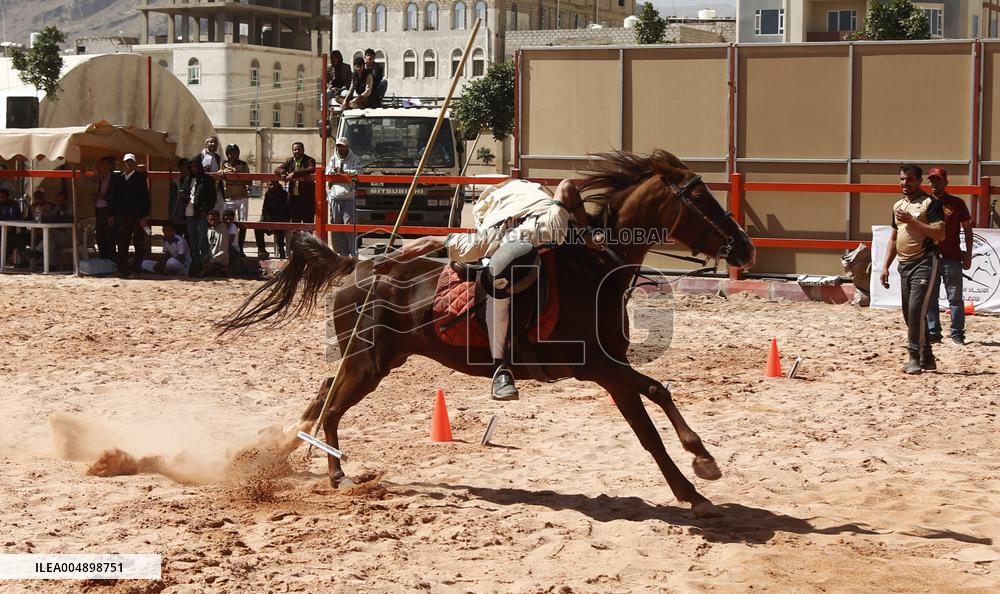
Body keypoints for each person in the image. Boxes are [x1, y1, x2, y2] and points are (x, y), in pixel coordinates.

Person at [372, 179, 601, 400]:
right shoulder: (486, 241)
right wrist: (394, 257)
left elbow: (567, 186)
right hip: (492, 203)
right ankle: (500, 366)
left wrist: (585, 232)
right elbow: (431, 243)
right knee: (496, 289)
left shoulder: (551, 226)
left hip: (528, 196)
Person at [879, 164, 945, 374]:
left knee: (916, 309)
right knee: (910, 313)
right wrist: (885, 266)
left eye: (909, 179)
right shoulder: (898, 205)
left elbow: (939, 234)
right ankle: (927, 356)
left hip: (924, 262)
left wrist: (913, 221)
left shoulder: (930, 203)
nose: (905, 183)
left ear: (919, 181)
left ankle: (914, 357)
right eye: (902, 179)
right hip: (904, 265)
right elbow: (894, 238)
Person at [924, 167, 973, 345]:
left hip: (951, 256)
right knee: (930, 297)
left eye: (938, 180)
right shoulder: (924, 203)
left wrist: (968, 254)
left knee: (955, 298)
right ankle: (933, 331)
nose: (935, 184)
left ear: (946, 183)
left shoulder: (957, 203)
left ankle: (957, 333)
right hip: (929, 257)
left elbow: (968, 229)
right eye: (932, 180)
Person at [108, 153, 151, 278]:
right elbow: (113, 197)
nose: (129, 164)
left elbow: (145, 198)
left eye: (131, 161)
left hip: (137, 216)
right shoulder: (118, 178)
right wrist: (111, 214)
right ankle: (121, 269)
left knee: (138, 243)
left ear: (134, 163)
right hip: (122, 216)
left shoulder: (140, 178)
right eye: (127, 161)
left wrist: (145, 216)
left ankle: (136, 270)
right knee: (122, 243)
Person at [326, 136, 362, 257]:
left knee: (350, 225)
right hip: (336, 197)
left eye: (342, 146)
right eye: (338, 147)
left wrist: (346, 172)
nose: (340, 149)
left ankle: (353, 252)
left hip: (349, 197)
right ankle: (342, 253)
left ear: (347, 147)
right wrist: (333, 172)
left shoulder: (355, 159)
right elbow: (327, 172)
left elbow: (359, 172)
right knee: (337, 225)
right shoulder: (333, 158)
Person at [182, 158, 218, 273]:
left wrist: (205, 210)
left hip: (201, 213)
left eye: (196, 166)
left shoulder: (207, 180)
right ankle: (196, 264)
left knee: (202, 240)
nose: (194, 169)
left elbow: (212, 198)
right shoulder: (187, 179)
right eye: (192, 167)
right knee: (192, 240)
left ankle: (204, 265)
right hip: (189, 212)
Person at [221, 144, 251, 254]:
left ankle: (241, 247)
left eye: (235, 152)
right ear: (227, 154)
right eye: (231, 152)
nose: (233, 155)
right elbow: (219, 176)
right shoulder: (224, 164)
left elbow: (249, 181)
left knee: (243, 224)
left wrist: (237, 176)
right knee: (227, 222)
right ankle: (228, 246)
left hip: (242, 197)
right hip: (229, 198)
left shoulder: (243, 165)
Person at [255, 169, 291, 260]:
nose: (271, 186)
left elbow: (286, 211)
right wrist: (266, 220)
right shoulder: (268, 193)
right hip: (269, 218)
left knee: (280, 229)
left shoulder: (284, 194)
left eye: (273, 184)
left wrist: (276, 223)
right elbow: (265, 208)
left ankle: (281, 249)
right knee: (257, 226)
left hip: (281, 219)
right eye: (269, 184)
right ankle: (262, 249)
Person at [281, 142, 317, 224]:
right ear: (292, 151)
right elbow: (278, 168)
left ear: (303, 150)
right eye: (295, 150)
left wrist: (294, 174)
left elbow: (311, 169)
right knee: (295, 227)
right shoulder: (290, 161)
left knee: (308, 227)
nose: (297, 151)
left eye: (299, 149)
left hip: (306, 200)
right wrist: (283, 173)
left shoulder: (310, 160)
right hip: (294, 200)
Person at [93, 156, 117, 260]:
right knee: (100, 236)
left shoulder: (114, 179)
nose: (103, 168)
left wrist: (104, 197)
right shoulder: (99, 179)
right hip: (99, 210)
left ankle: (111, 261)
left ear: (110, 167)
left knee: (109, 237)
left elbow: (116, 196)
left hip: (108, 211)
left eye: (105, 166)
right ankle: (103, 259)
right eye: (101, 166)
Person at [167, 157, 191, 239]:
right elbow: (171, 199)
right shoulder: (175, 182)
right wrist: (170, 214)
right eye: (182, 167)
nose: (184, 169)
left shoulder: (194, 181)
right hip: (177, 215)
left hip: (189, 216)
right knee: (177, 238)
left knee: (189, 239)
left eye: (186, 167)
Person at [201, 210, 230, 277]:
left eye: (215, 219)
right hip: (211, 258)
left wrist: (211, 261)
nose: (213, 221)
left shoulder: (222, 230)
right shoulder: (209, 230)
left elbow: (223, 251)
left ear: (219, 219)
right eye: (211, 219)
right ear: (208, 220)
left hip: (219, 260)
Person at [200, 135, 224, 212]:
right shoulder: (200, 156)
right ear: (206, 144)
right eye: (211, 142)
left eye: (215, 142)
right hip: (204, 187)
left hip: (216, 187)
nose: (213, 144)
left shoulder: (217, 157)